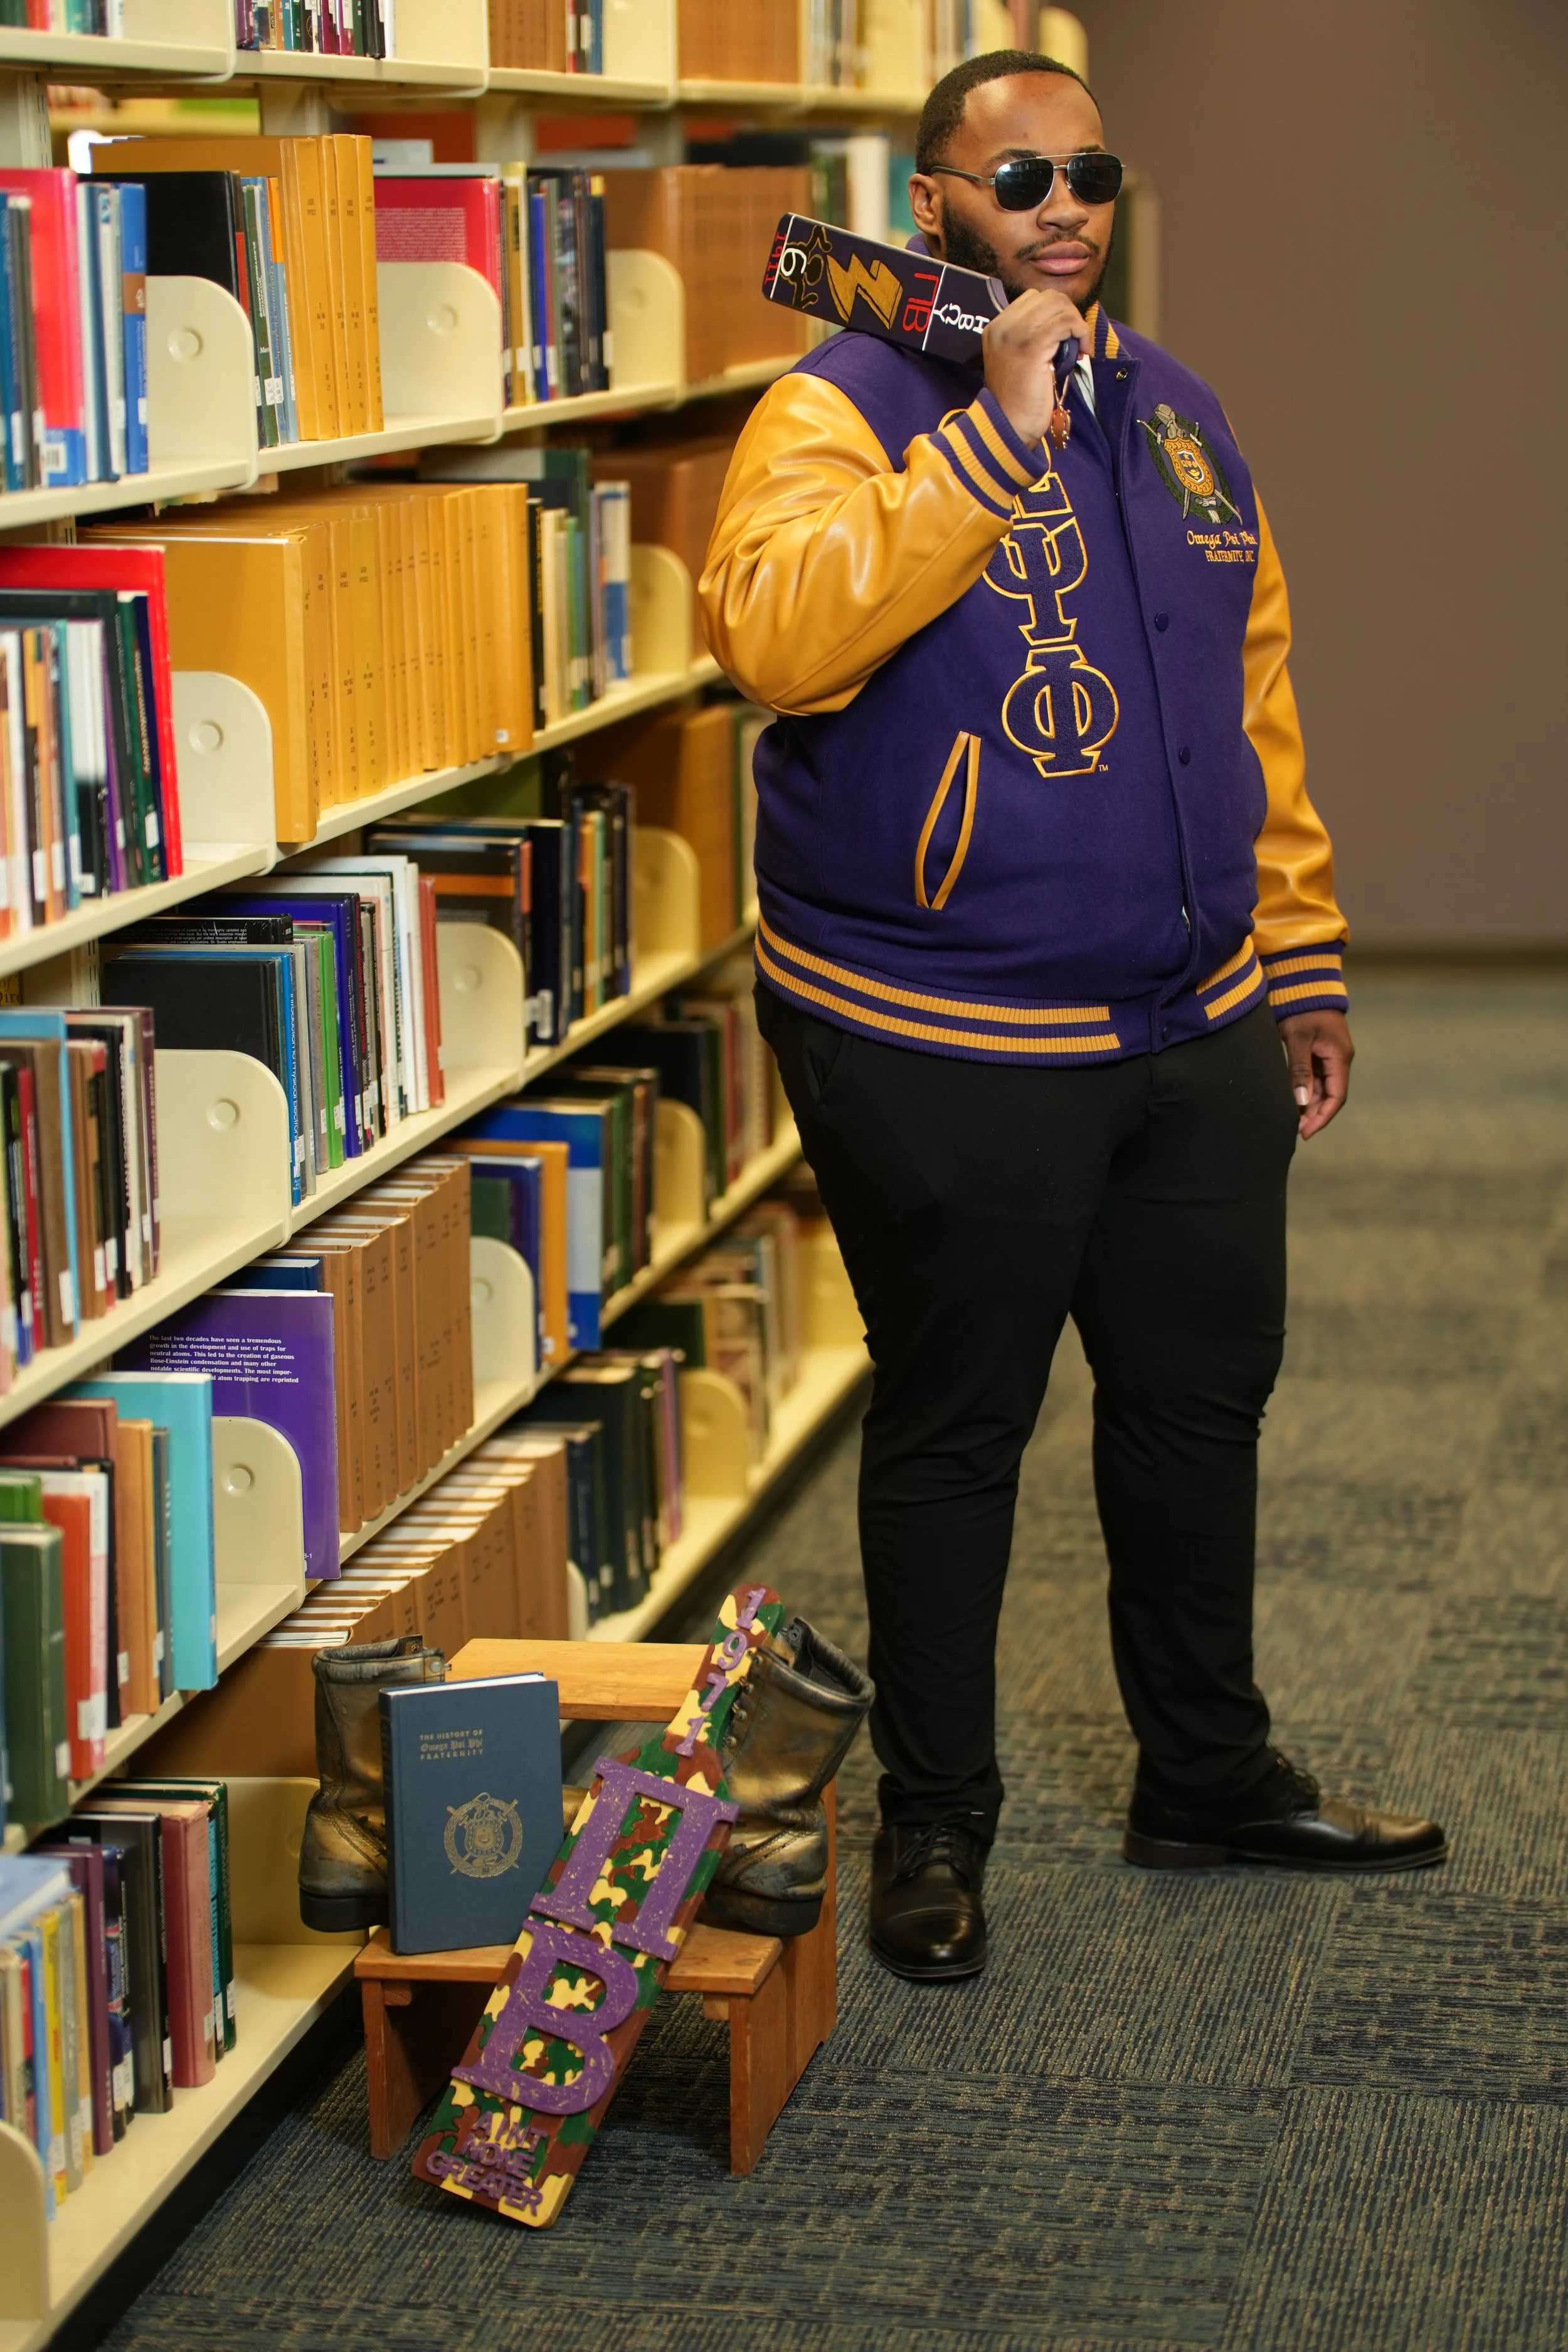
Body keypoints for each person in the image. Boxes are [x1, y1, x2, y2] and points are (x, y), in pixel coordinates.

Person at [699, 48, 1447, 1984]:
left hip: (1191, 1021)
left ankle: (1203, 1768)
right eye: (1012, 171)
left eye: (1086, 169)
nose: (1058, 200)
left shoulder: (1181, 413)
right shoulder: (839, 401)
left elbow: (1247, 702)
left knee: (1199, 1407)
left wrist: (1297, 951)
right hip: (940, 1028)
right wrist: (989, 435)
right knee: (958, 1431)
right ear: (931, 198)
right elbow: (771, 629)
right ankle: (937, 1827)